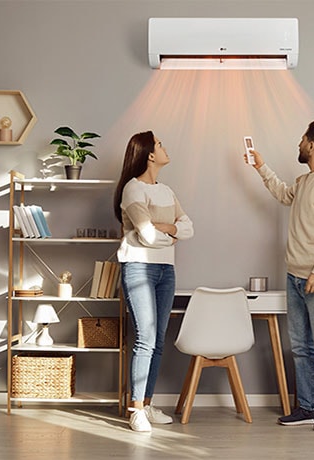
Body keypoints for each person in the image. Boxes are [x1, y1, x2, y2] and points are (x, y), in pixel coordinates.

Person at [245, 120, 314, 432]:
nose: (299, 143)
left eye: (303, 139)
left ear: (312, 145)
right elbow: (282, 194)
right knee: (302, 347)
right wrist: (260, 166)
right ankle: (307, 407)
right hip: (295, 276)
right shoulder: (306, 181)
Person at [113, 131, 194, 432]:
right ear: (149, 154)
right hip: (138, 268)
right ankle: (135, 409)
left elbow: (189, 229)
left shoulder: (167, 192)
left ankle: (146, 404)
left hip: (165, 271)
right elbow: (145, 236)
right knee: (145, 339)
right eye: (160, 144)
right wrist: (169, 234)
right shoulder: (133, 190)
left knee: (158, 341)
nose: (164, 147)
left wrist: (164, 228)